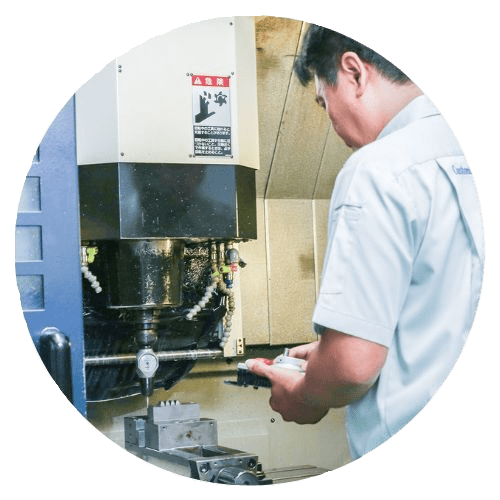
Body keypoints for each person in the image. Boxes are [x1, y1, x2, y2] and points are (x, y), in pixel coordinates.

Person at [247, 24, 485, 460]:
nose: (332, 122)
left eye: (325, 102)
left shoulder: (378, 170)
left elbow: (351, 369)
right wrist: (330, 353)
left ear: (354, 73)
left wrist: (307, 392)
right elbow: (444, 316)